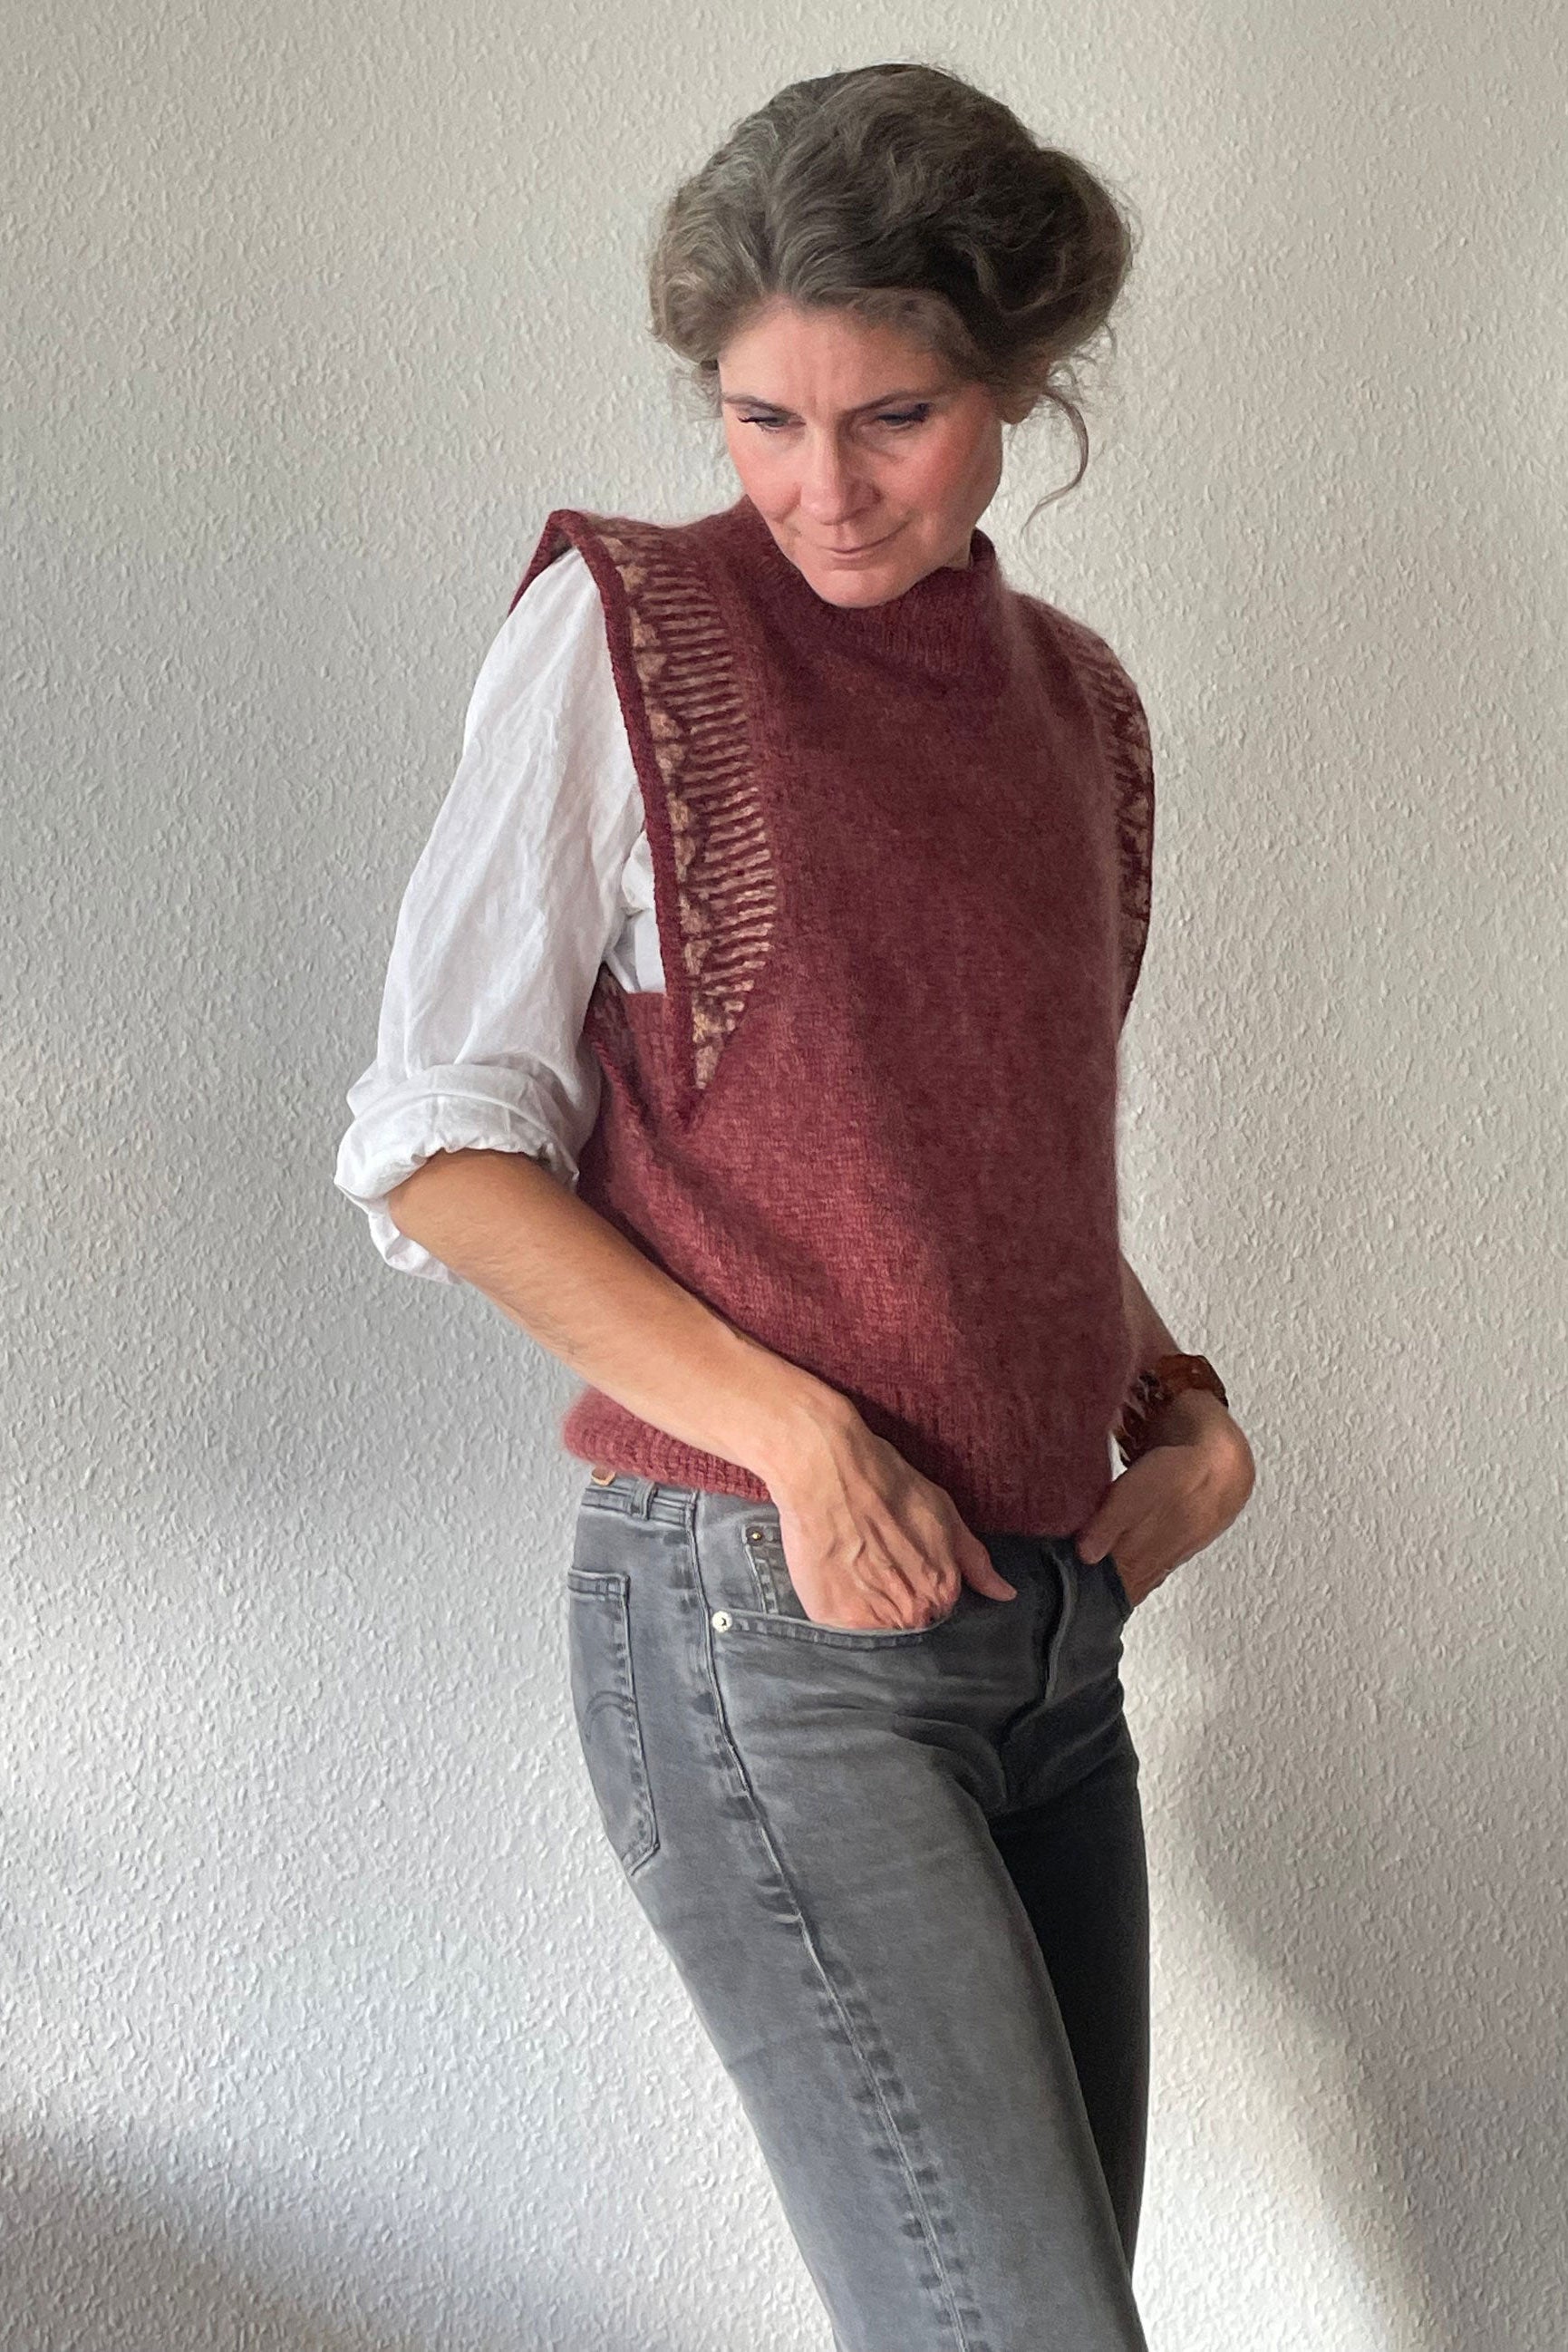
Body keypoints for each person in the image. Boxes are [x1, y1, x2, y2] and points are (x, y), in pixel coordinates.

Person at [334, 61, 1255, 2352]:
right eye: (762, 419)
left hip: (1047, 1636)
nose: (820, 486)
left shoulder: (1079, 708)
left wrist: (1182, 1404)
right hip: (764, 1619)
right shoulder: (632, 637)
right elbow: (440, 1145)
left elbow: (981, 1164)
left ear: (1020, 383)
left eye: (893, 419)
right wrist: (799, 1434)